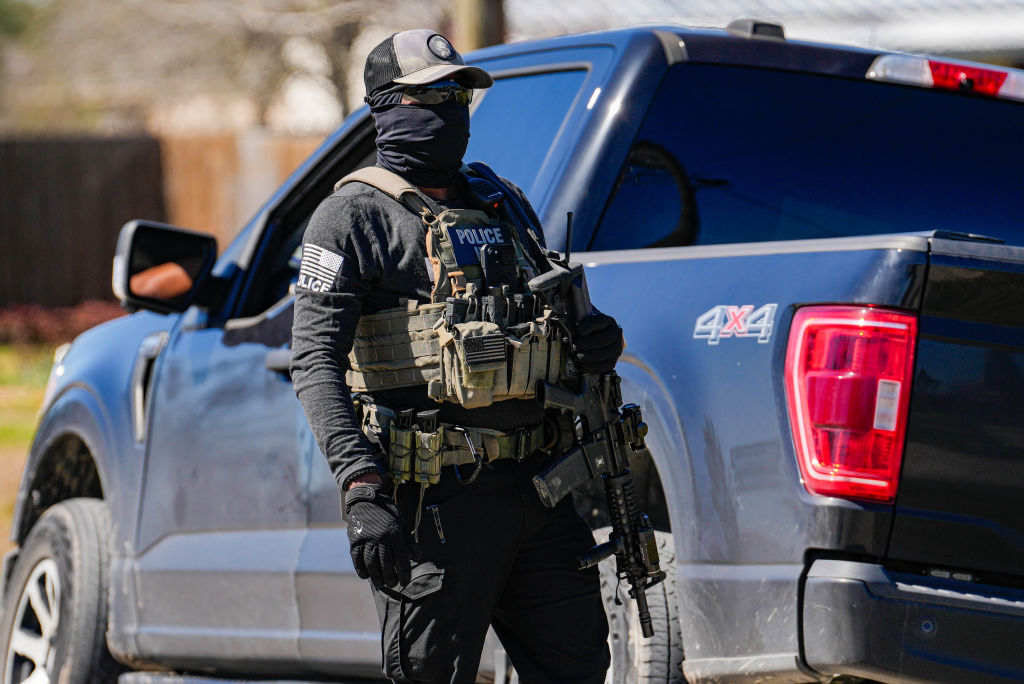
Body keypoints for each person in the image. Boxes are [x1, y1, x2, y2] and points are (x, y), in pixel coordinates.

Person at [290, 29, 623, 684]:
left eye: (458, 93)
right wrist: (361, 485)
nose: (448, 108)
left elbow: (550, 317)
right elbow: (313, 362)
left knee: (580, 671)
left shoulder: (499, 199)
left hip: (541, 490)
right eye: (429, 94)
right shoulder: (351, 217)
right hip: (437, 507)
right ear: (385, 105)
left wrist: (597, 339)